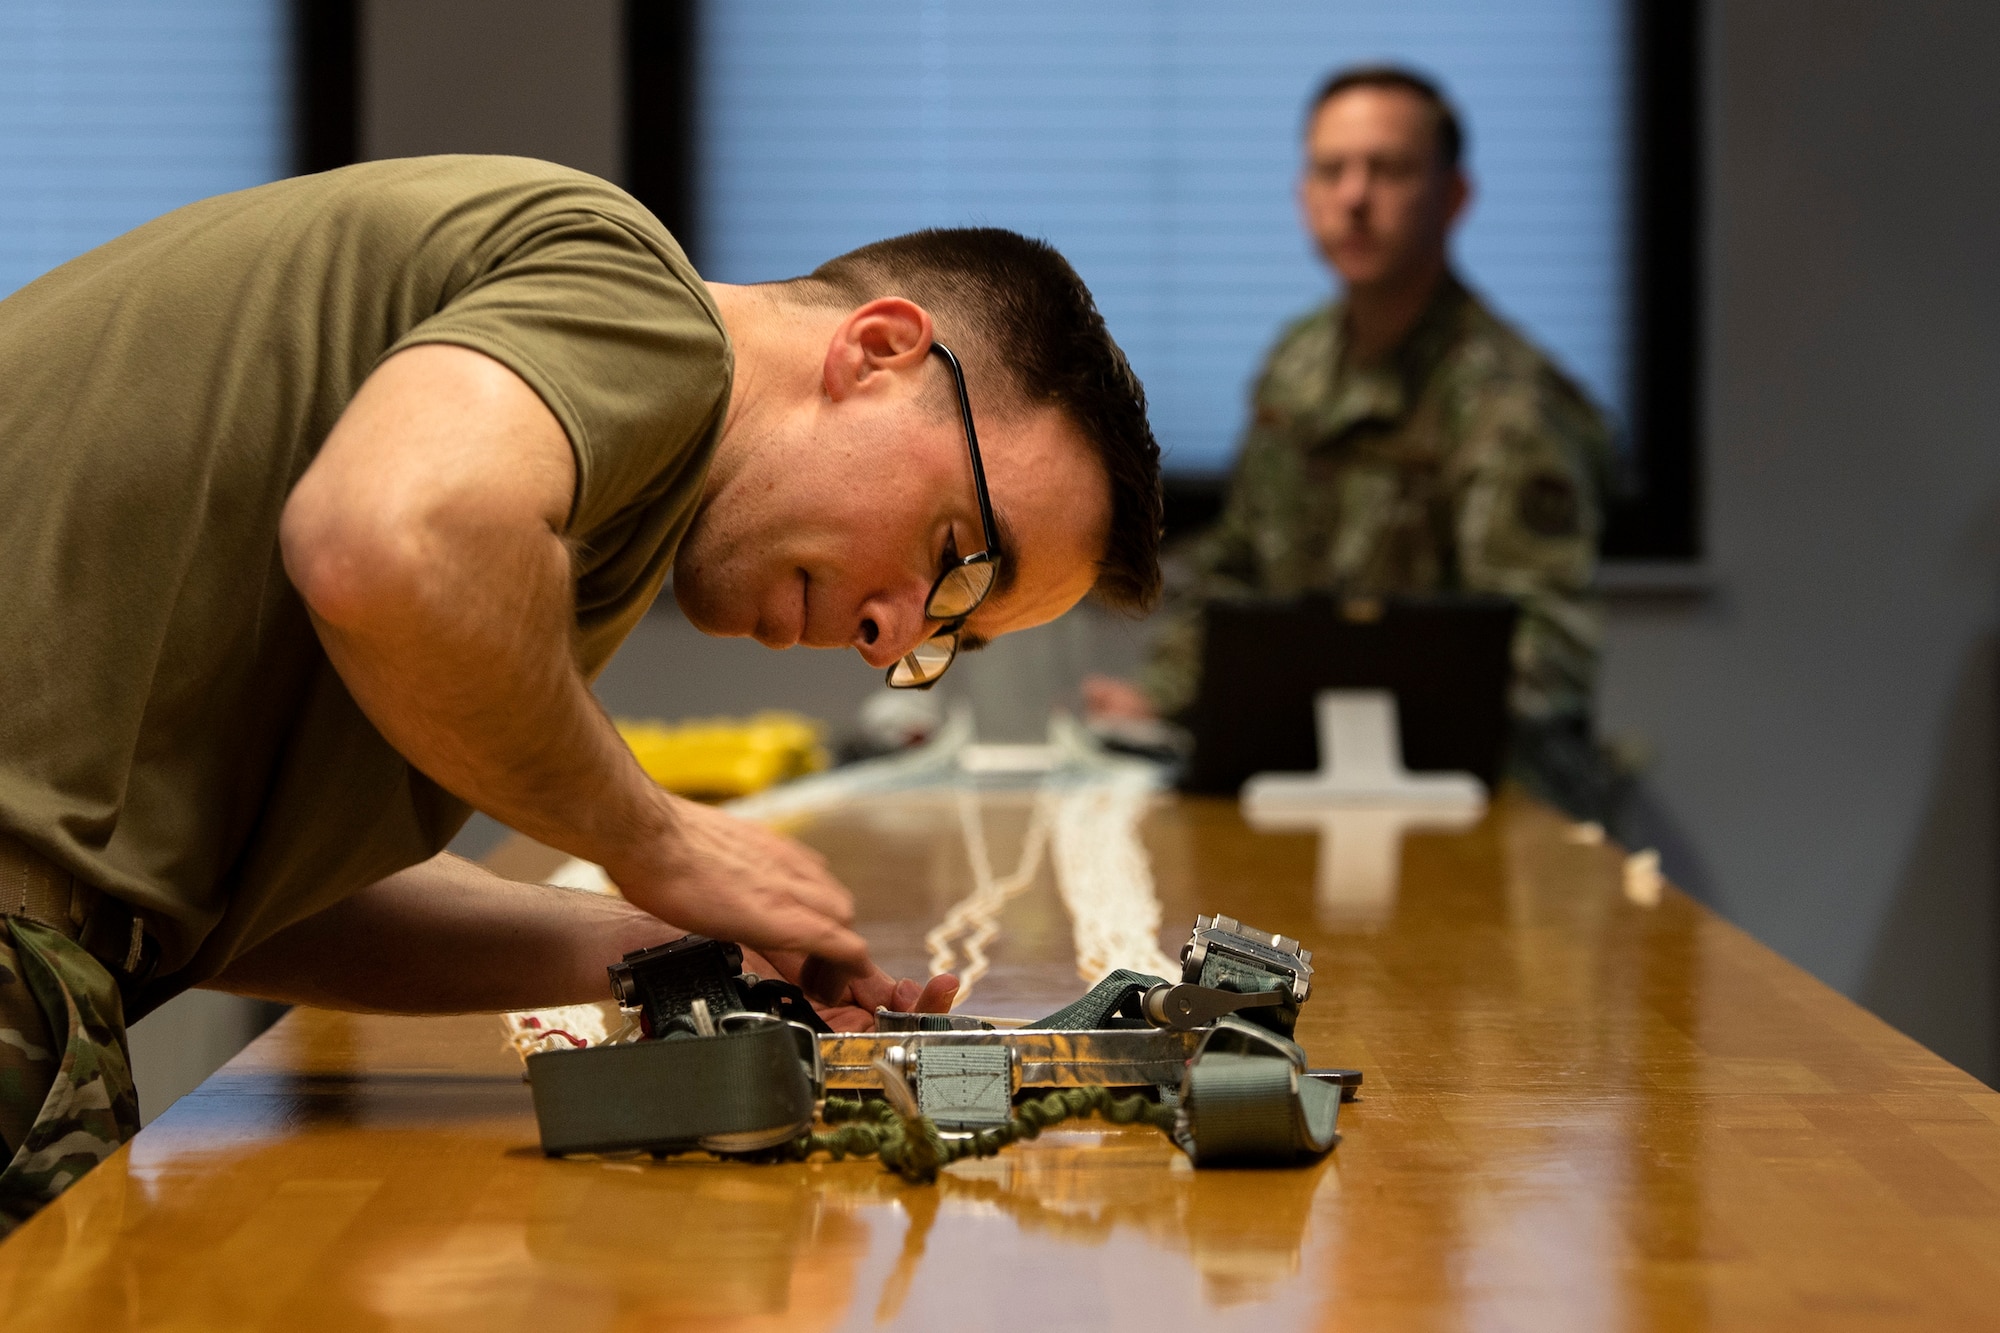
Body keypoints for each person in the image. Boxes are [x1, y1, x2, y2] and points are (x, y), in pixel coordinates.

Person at [0, 154, 1162, 1231]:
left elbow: (237, 896)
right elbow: (381, 544)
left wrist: (667, 940)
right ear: (878, 350)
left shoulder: (570, 508)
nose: (888, 634)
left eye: (948, 633)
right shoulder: (640, 299)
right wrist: (651, 834)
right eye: (956, 552)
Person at [1085, 66, 1613, 815]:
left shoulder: (1512, 403)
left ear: (1455, 196)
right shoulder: (1298, 363)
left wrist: (1328, 723)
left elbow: (1540, 658)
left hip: (1479, 796)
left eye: (1390, 169)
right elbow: (1240, 566)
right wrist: (1167, 695)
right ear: (1305, 197)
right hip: (1303, 773)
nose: (1355, 197)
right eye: (1331, 170)